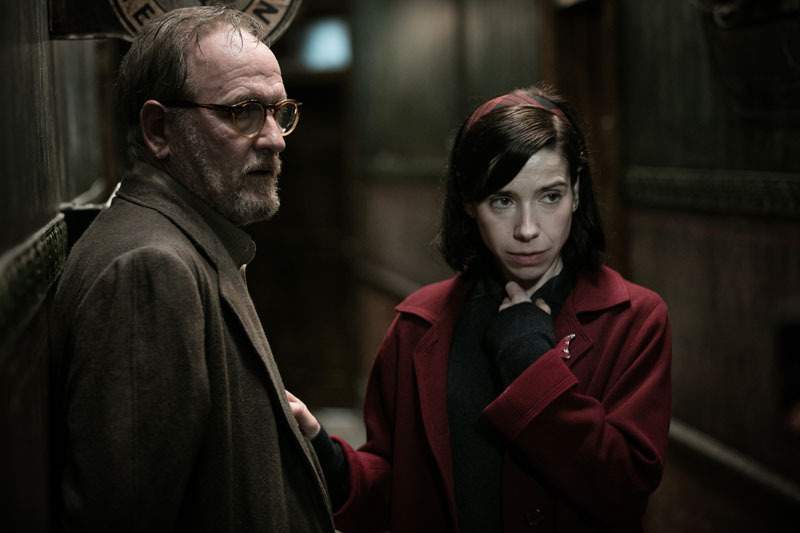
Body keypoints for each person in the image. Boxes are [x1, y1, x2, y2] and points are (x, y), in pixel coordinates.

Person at [290, 86, 672, 532]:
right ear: (470, 204)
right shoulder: (420, 325)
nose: (527, 229)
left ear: (576, 191)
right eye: (502, 201)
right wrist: (325, 455)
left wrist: (529, 358)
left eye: (550, 196)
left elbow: (624, 488)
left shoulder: (632, 317)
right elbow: (394, 487)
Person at [51, 6, 333, 532]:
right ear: (159, 129)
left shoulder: (190, 241)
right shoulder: (150, 269)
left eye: (280, 112)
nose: (274, 138)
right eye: (243, 111)